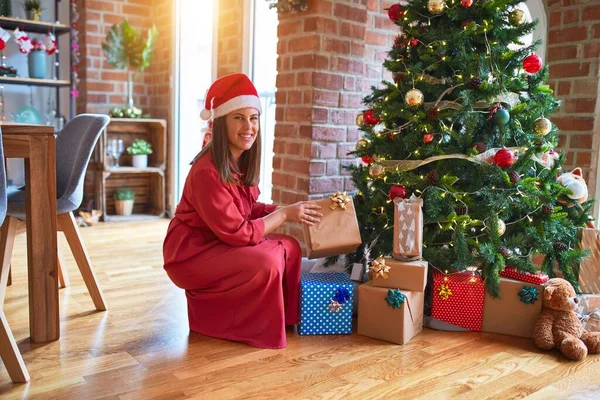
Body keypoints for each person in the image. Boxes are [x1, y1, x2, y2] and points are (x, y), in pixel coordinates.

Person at [163, 73, 322, 349]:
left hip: (218, 241)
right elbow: (238, 232)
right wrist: (283, 216)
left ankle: (284, 320)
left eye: (253, 118)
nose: (248, 126)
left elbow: (246, 209)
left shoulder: (240, 161)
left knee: (290, 246)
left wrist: (281, 209)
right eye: (238, 118)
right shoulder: (206, 172)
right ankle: (248, 327)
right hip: (192, 254)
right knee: (267, 261)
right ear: (221, 122)